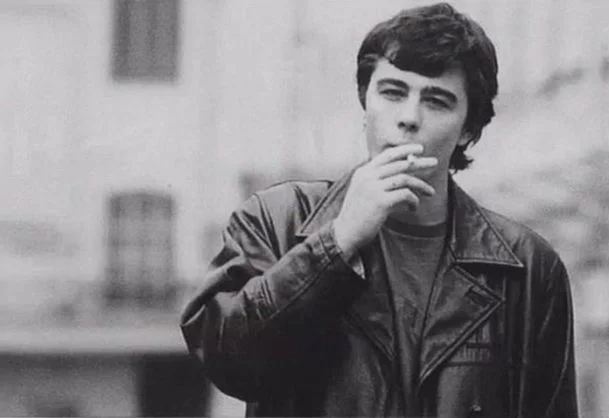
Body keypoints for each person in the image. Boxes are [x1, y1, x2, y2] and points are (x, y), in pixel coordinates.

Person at [180, 3, 579, 417]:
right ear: (365, 102)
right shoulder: (276, 221)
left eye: (437, 101)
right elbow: (228, 362)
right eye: (392, 92)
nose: (408, 118)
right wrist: (335, 245)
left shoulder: (527, 267)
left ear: (468, 130)